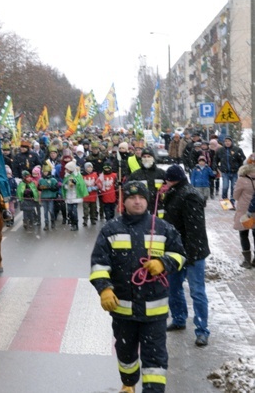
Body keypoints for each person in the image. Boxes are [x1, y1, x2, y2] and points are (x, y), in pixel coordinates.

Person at [90, 181, 185, 393]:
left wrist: (164, 263)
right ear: (124, 202)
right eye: (132, 198)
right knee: (126, 354)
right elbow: (99, 264)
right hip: (123, 312)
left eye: (141, 197)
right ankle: (128, 382)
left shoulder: (162, 228)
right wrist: (104, 288)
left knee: (155, 360)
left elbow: (180, 255)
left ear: (147, 200)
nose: (137, 201)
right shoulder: (111, 230)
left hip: (155, 313)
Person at [162, 164, 211, 347]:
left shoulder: (188, 195)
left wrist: (190, 254)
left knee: (197, 291)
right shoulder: (175, 192)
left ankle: (202, 330)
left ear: (172, 179)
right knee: (173, 287)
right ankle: (179, 319)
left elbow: (195, 230)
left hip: (192, 252)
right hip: (176, 251)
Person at [127, 148, 166, 216]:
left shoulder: (161, 174)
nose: (146, 159)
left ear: (153, 158)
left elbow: (169, 188)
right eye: (144, 157)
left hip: (159, 208)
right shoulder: (135, 175)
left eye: (149, 156)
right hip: (142, 209)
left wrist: (163, 193)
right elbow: (129, 191)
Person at [232, 154, 255, 268]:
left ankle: (247, 261)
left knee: (244, 234)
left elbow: (235, 195)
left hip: (244, 211)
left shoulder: (242, 179)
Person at [214, 136, 246, 207]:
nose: (227, 143)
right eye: (226, 141)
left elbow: (242, 159)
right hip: (225, 172)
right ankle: (225, 203)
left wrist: (240, 168)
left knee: (233, 188)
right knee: (225, 187)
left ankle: (232, 203)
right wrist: (216, 168)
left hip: (234, 172)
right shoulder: (220, 150)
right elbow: (215, 160)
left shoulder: (237, 150)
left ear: (231, 142)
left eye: (228, 141)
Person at [62, 161, 87, 231]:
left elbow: (81, 184)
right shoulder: (66, 175)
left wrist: (75, 183)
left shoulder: (78, 175)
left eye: (67, 169)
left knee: (74, 211)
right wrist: (66, 186)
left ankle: (76, 224)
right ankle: (72, 223)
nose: (66, 170)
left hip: (75, 196)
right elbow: (64, 185)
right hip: (69, 196)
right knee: (69, 211)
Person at [38, 163, 58, 230]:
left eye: (46, 172)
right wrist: (41, 187)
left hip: (50, 197)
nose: (45, 173)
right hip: (44, 197)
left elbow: (56, 188)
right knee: (45, 211)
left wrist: (49, 187)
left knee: (51, 210)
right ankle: (46, 224)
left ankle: (53, 221)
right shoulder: (41, 180)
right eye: (44, 172)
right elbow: (38, 188)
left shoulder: (53, 180)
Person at [81, 162, 101, 226]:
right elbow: (81, 185)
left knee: (93, 209)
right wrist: (85, 189)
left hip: (93, 195)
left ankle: (92, 219)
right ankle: (85, 220)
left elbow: (98, 183)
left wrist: (95, 187)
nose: (89, 169)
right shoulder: (82, 176)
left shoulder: (95, 175)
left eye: (90, 167)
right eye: (88, 167)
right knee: (86, 209)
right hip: (86, 195)